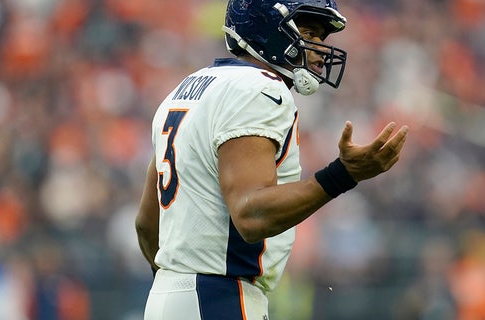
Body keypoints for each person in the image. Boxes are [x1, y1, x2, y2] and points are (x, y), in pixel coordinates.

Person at [135, 0, 408, 319]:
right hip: (219, 297)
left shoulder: (185, 89)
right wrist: (342, 175)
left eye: (321, 37)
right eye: (308, 32)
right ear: (266, 27)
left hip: (167, 297)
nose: (319, 49)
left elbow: (146, 224)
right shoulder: (259, 89)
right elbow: (251, 215)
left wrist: (177, 286)